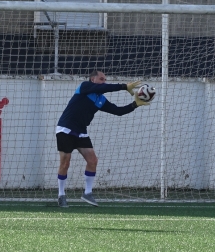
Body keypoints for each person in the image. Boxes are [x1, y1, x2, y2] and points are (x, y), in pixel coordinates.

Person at [55, 71, 149, 207]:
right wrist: (124, 86)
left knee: (93, 160)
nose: (104, 81)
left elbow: (118, 111)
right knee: (65, 163)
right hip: (66, 128)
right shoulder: (85, 87)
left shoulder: (101, 100)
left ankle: (87, 193)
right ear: (93, 79)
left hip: (81, 132)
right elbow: (103, 88)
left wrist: (135, 104)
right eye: (101, 78)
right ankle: (61, 195)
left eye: (105, 79)